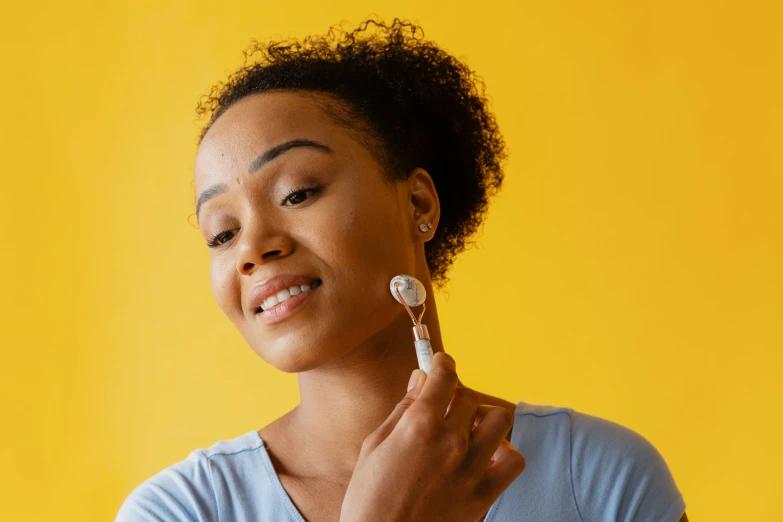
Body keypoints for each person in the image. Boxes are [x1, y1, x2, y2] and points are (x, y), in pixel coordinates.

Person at [115, 18, 688, 522]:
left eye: (298, 192)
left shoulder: (599, 478)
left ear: (418, 205)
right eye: (222, 232)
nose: (253, 247)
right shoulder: (182, 511)